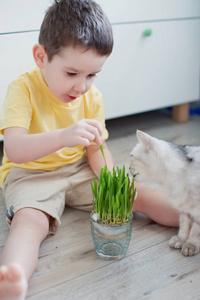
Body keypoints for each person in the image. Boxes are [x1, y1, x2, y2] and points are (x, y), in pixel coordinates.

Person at [0, 0, 179, 299]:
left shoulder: (90, 96)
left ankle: (189, 215)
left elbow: (97, 148)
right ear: (41, 57)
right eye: (72, 74)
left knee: (137, 193)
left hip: (78, 169)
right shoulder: (23, 89)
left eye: (92, 75)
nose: (82, 86)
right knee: (30, 223)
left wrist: (110, 180)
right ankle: (12, 278)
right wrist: (64, 136)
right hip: (31, 173)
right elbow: (15, 150)